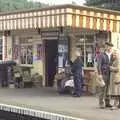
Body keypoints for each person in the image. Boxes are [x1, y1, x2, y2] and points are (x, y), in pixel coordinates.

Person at [96, 42, 113, 108]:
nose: (110, 48)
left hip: (110, 74)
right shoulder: (101, 55)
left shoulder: (112, 55)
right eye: (109, 47)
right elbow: (99, 65)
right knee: (102, 89)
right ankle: (101, 103)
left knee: (108, 89)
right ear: (106, 47)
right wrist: (100, 74)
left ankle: (107, 102)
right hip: (104, 74)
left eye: (111, 47)